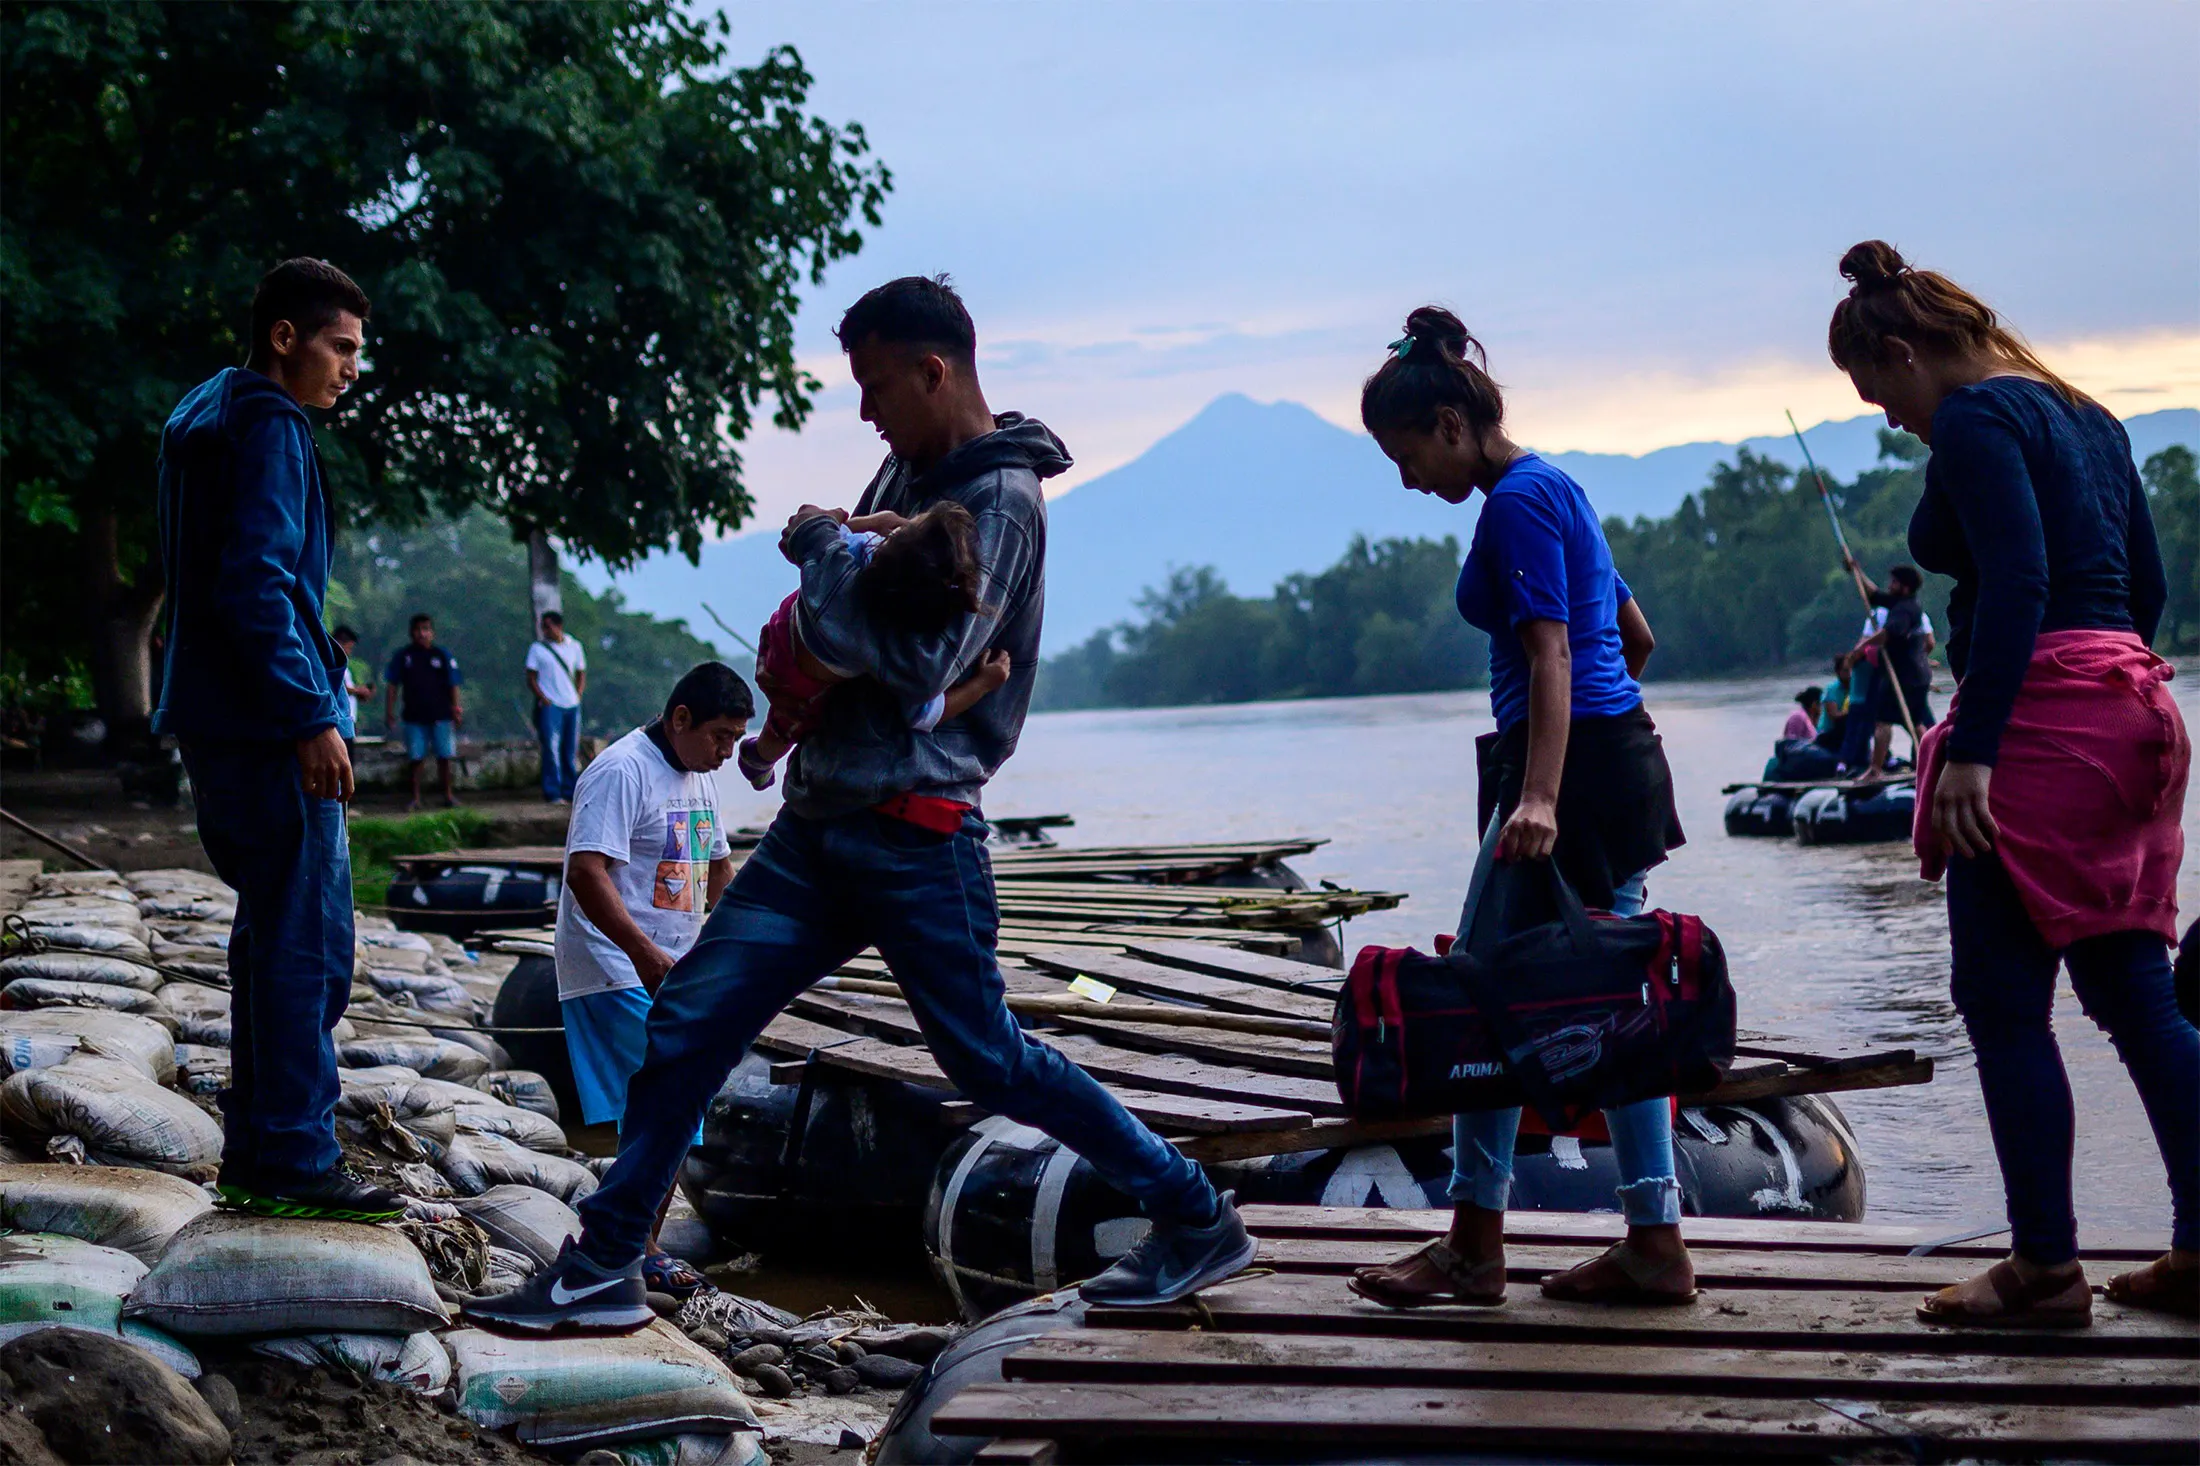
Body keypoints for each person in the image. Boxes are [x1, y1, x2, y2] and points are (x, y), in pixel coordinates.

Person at [463, 274, 1253, 1336]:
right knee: (689, 1020)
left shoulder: (1003, 502)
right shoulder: (915, 468)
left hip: (920, 839)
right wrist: (847, 575)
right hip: (816, 826)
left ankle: (1193, 1210)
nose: (866, 414)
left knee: (989, 1059)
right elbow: (849, 618)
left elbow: (911, 653)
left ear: (935, 370)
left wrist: (828, 551)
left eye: (877, 387)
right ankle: (606, 1259)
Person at [1828, 239, 2194, 1325]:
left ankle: (2042, 1267)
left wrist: (1978, 747)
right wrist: (2109, 682)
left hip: (2035, 719)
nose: (1889, 416)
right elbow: (2150, 583)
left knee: (2000, 1000)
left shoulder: (1983, 418)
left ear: (1902, 349)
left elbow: (2024, 575)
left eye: (1878, 391)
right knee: (2136, 995)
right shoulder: (2087, 414)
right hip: (2131, 705)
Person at [1345, 308, 1690, 1309]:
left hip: (1564, 781)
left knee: (1484, 990)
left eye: (1405, 454)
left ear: (1450, 421)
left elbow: (1551, 652)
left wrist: (1540, 793)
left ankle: (1472, 1245)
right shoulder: (1559, 485)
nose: (1407, 478)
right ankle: (1652, 1236)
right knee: (1613, 1007)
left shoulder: (1514, 506)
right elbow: (1636, 635)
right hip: (1612, 763)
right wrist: (1593, 748)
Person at [151, 257, 403, 1223]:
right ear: (285, 337)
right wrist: (309, 714)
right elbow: (257, 585)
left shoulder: (204, 413)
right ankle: (295, 1154)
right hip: (266, 723)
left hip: (213, 713)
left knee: (269, 937)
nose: (349, 369)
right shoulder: (272, 427)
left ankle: (259, 1148)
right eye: (340, 347)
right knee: (307, 946)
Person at [557, 661, 750, 1299]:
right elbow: (586, 872)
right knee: (665, 1110)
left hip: (673, 970)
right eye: (720, 735)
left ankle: (637, 1245)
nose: (728, 751)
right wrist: (641, 954)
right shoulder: (621, 770)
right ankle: (626, 1251)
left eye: (737, 737)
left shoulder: (697, 779)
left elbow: (718, 872)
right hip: (615, 964)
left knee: (672, 1112)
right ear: (680, 719)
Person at [737, 501, 1012, 791]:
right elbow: (923, 714)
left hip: (779, 631)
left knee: (785, 716)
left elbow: (811, 522)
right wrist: (982, 684)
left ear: (892, 541)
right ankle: (758, 757)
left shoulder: (848, 556)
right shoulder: (893, 647)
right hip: (806, 680)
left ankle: (760, 756)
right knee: (790, 723)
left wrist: (869, 521)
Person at [1851, 562, 1938, 777]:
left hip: (1905, 677)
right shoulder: (1899, 602)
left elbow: (1889, 633)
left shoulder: (1905, 610)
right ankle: (1924, 767)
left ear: (1905, 587)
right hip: (1917, 677)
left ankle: (1875, 769)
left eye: (1894, 582)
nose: (1890, 585)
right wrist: (1856, 570)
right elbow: (1874, 595)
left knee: (1883, 722)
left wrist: (1861, 647)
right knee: (1917, 723)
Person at [385, 614, 464, 810]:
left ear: (432, 632)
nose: (422, 634)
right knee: (415, 758)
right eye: (418, 630)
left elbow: (453, 684)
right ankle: (415, 798)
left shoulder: (442, 655)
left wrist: (456, 709)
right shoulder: (403, 657)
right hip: (414, 715)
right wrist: (389, 711)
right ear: (412, 633)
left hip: (441, 714)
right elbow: (392, 686)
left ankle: (447, 795)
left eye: (426, 629)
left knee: (445, 757)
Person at [526, 610, 587, 805]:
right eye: (543, 627)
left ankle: (570, 790)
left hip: (571, 704)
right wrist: (543, 698)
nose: (545, 630)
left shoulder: (574, 646)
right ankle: (553, 791)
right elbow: (531, 677)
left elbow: (581, 672)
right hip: (551, 705)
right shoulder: (537, 649)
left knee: (570, 750)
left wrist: (578, 694)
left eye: (548, 626)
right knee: (551, 749)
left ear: (558, 626)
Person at [331, 625, 374, 767]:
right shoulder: (332, 664)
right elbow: (339, 687)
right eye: (348, 648)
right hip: (338, 720)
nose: (349, 652)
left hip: (348, 719)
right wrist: (358, 691)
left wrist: (359, 692)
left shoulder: (344, 667)